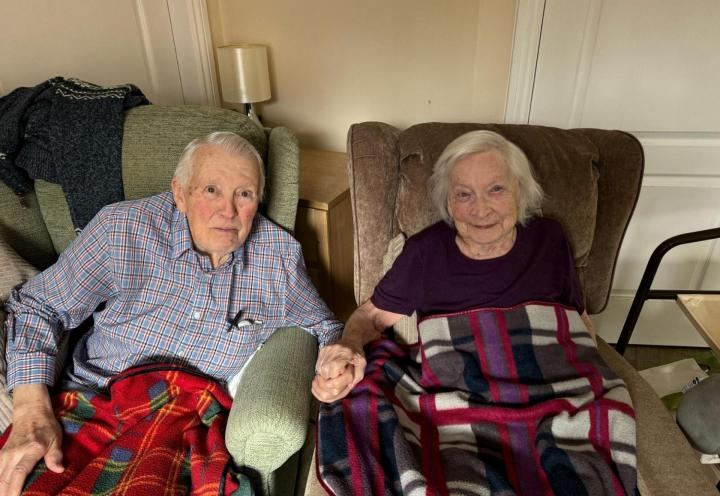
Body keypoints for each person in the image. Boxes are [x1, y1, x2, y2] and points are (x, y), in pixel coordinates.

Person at [1, 131, 342, 495]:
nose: (228, 210)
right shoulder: (121, 229)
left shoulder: (279, 258)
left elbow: (324, 324)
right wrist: (30, 408)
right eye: (211, 190)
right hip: (96, 396)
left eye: (244, 194)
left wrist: (339, 354)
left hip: (187, 420)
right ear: (179, 193)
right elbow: (40, 305)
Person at [312, 130, 636, 495]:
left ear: (520, 191)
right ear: (448, 203)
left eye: (496, 189)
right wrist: (348, 346)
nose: (480, 209)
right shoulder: (425, 252)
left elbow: (574, 320)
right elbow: (371, 316)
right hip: (458, 396)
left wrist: (591, 366)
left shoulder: (550, 239)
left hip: (552, 394)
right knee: (366, 403)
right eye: (464, 194)